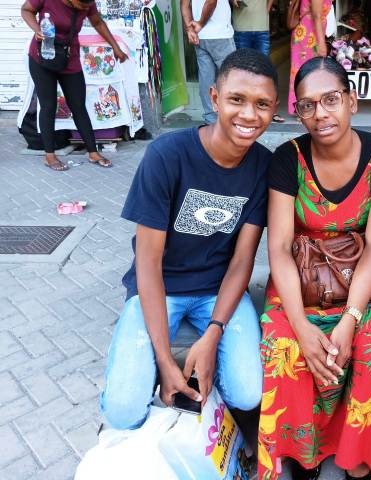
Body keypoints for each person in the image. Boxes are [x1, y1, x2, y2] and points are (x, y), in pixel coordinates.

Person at [99, 50, 279, 436]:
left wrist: (213, 334)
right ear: (214, 98)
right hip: (159, 286)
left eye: (261, 104)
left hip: (218, 290)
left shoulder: (264, 166)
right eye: (237, 100)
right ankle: (158, 373)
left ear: (274, 109)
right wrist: (165, 361)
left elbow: (242, 261)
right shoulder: (167, 155)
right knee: (122, 412)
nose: (249, 115)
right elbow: (148, 264)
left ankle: (202, 395)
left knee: (249, 393)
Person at [260, 56, 371, 480]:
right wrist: (303, 327)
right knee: (286, 345)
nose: (320, 114)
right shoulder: (287, 159)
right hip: (299, 282)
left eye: (331, 99)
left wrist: (350, 319)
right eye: (307, 105)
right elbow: (281, 247)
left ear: (352, 101)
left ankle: (359, 458)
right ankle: (303, 456)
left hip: (360, 279)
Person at [21, 0, 128, 171]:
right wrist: (37, 29)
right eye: (82, 6)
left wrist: (115, 47)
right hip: (43, 56)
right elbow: (26, 9)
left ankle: (93, 153)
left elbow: (98, 22)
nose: (86, 9)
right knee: (49, 106)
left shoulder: (87, 2)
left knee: (78, 105)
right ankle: (49, 156)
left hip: (69, 57)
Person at [181, 0, 236, 124]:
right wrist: (200, 23)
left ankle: (211, 120)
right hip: (220, 35)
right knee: (232, 78)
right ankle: (231, 117)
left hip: (200, 37)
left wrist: (190, 29)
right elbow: (211, 2)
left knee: (206, 78)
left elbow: (184, 5)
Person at [231, 0, 285, 122]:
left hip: (262, 28)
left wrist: (266, 9)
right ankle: (243, 110)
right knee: (242, 72)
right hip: (241, 28)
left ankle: (270, 111)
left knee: (265, 72)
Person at [288, 0, 331, 115]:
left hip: (311, 32)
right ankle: (302, 107)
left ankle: (306, 105)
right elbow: (316, 16)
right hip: (308, 35)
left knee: (308, 72)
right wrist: (321, 43)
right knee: (307, 73)